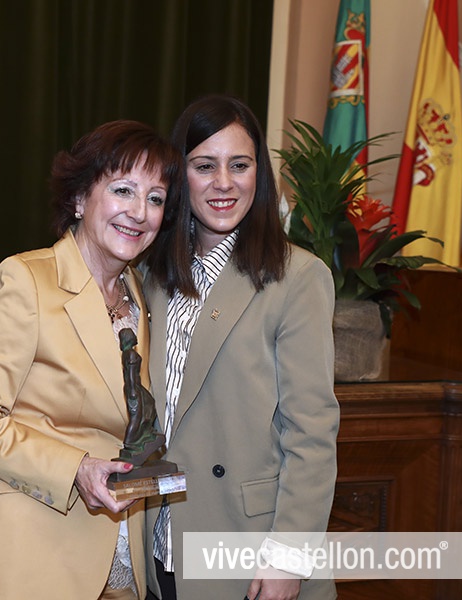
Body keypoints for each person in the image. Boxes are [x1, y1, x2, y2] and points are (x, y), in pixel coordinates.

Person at [0, 120, 182, 600]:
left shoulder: (139, 292)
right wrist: (76, 468)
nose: (139, 212)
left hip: (120, 554)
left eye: (155, 198)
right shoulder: (27, 280)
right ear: (79, 198)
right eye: (123, 190)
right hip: (30, 553)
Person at [143, 94, 340, 600]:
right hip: (161, 543)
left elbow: (312, 433)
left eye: (239, 165)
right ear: (180, 175)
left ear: (260, 173)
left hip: (250, 549)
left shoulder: (297, 277)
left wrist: (290, 556)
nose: (224, 183)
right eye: (204, 166)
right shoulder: (152, 276)